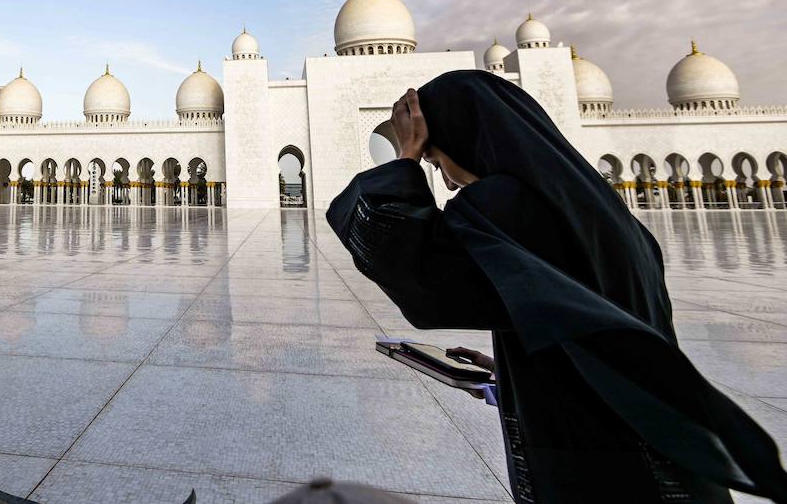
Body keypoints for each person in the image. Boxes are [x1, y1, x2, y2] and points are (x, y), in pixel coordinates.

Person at [327, 70, 787, 504]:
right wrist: (524, 363)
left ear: (463, 139)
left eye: (436, 157)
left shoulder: (503, 204)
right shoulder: (600, 209)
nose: (445, 179)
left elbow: (419, 280)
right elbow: (579, 311)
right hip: (660, 445)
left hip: (605, 467)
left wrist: (404, 157)